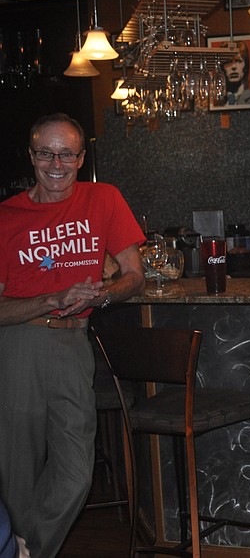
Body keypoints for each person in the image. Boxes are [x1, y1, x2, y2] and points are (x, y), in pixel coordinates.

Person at [0, 113, 145, 558]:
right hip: (20, 345)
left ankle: (23, 549)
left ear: (81, 158)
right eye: (46, 153)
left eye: (67, 154)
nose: (56, 164)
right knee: (17, 473)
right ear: (31, 157)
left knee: (76, 472)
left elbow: (134, 276)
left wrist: (102, 295)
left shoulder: (104, 198)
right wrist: (51, 298)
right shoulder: (6, 217)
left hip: (74, 341)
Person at [220, 41, 250, 105]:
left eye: (238, 61)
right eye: (228, 62)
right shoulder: (215, 102)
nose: (234, 66)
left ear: (246, 65)